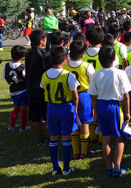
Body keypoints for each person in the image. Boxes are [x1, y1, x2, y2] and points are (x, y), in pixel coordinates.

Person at [88, 45, 131, 178]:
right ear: (115, 58)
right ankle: (117, 167)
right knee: (119, 137)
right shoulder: (120, 73)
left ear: (99, 59)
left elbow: (93, 96)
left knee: (106, 138)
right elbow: (126, 95)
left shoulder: (96, 74)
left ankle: (109, 167)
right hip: (114, 107)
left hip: (101, 106)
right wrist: (127, 112)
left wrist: (95, 112)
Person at [41, 45, 79, 176]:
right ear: (65, 59)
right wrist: (76, 108)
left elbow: (44, 90)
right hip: (66, 108)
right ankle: (66, 168)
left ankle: (55, 167)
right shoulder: (68, 75)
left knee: (53, 138)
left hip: (51, 108)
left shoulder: (45, 75)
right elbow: (75, 95)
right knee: (67, 137)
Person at [64, 40, 95, 160]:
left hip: (70, 97)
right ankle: (83, 151)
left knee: (74, 123)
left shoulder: (66, 65)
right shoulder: (87, 66)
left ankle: (75, 152)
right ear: (83, 53)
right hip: (84, 96)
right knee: (84, 123)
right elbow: (93, 82)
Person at [26, 29, 53, 145]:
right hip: (42, 89)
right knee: (48, 115)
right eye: (45, 39)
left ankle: (40, 138)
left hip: (30, 88)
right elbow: (50, 70)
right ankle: (49, 137)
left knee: (35, 115)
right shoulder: (44, 55)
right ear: (42, 41)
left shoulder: (29, 53)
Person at [4, 45, 29, 132]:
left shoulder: (6, 66)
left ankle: (12, 125)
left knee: (16, 108)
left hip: (13, 91)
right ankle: (22, 128)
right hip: (23, 90)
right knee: (23, 109)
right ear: (22, 57)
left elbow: (5, 77)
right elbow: (27, 78)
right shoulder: (23, 67)